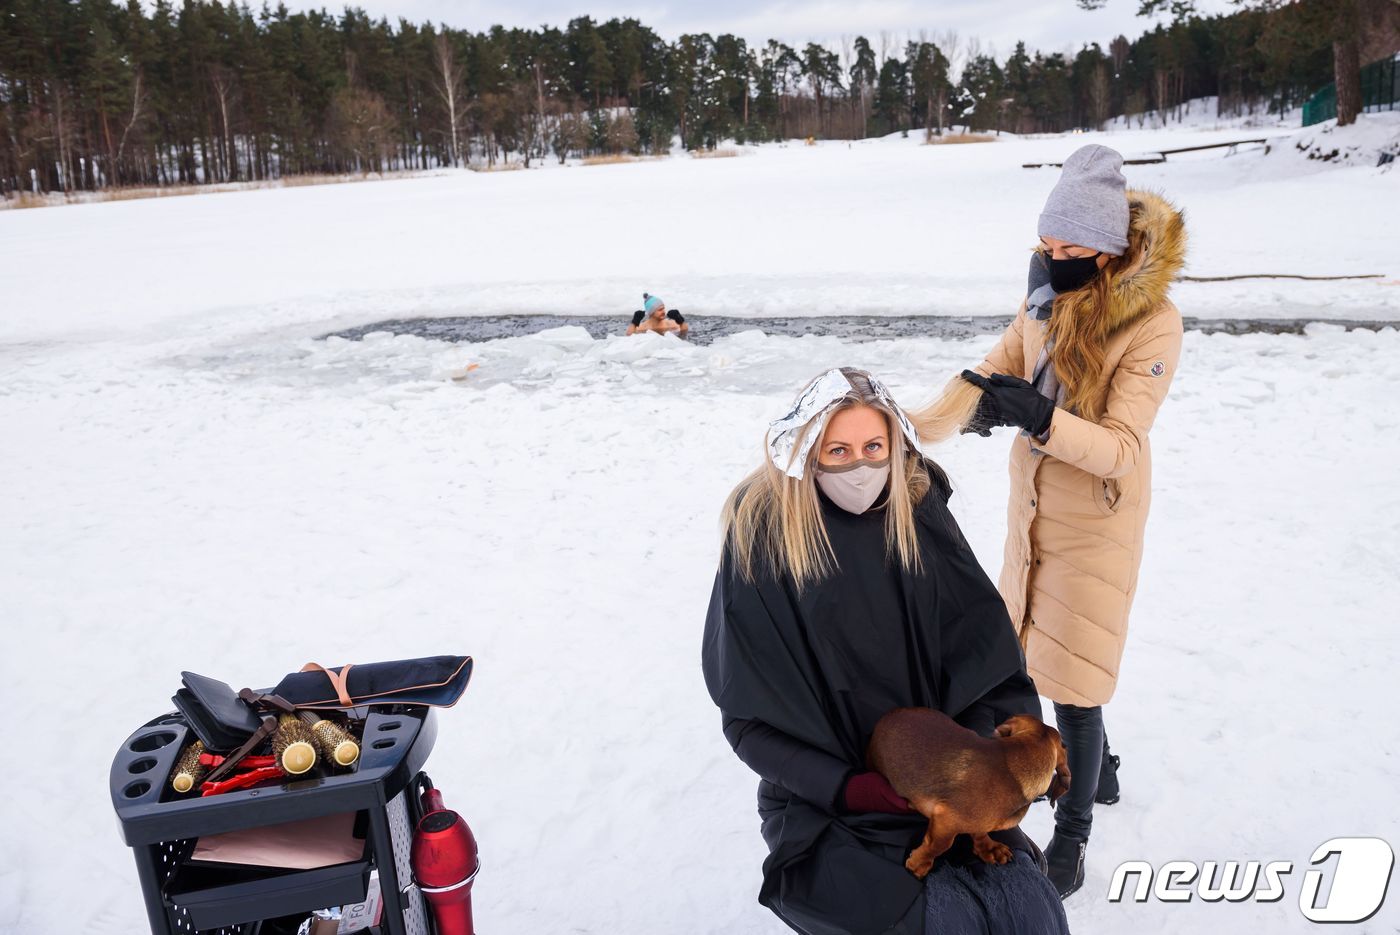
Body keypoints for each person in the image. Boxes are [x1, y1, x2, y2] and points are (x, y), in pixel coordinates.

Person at [702, 367, 1071, 935]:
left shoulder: (917, 516)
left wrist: (969, 757)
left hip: (948, 777)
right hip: (831, 803)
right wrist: (848, 788)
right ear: (806, 452)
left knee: (1031, 912)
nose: (860, 466)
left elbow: (986, 660)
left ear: (896, 444)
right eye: (838, 450)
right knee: (942, 923)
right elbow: (751, 720)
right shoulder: (765, 541)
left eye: (874, 446)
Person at [912, 144, 1186, 899]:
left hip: (1096, 521)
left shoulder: (1153, 324)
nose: (1052, 257)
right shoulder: (1042, 298)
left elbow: (1122, 448)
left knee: (1076, 682)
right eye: (1047, 245)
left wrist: (1040, 415)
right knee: (1033, 652)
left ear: (1105, 251)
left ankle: (1072, 832)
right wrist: (963, 406)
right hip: (1034, 512)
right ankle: (1107, 769)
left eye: (1068, 249)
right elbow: (999, 362)